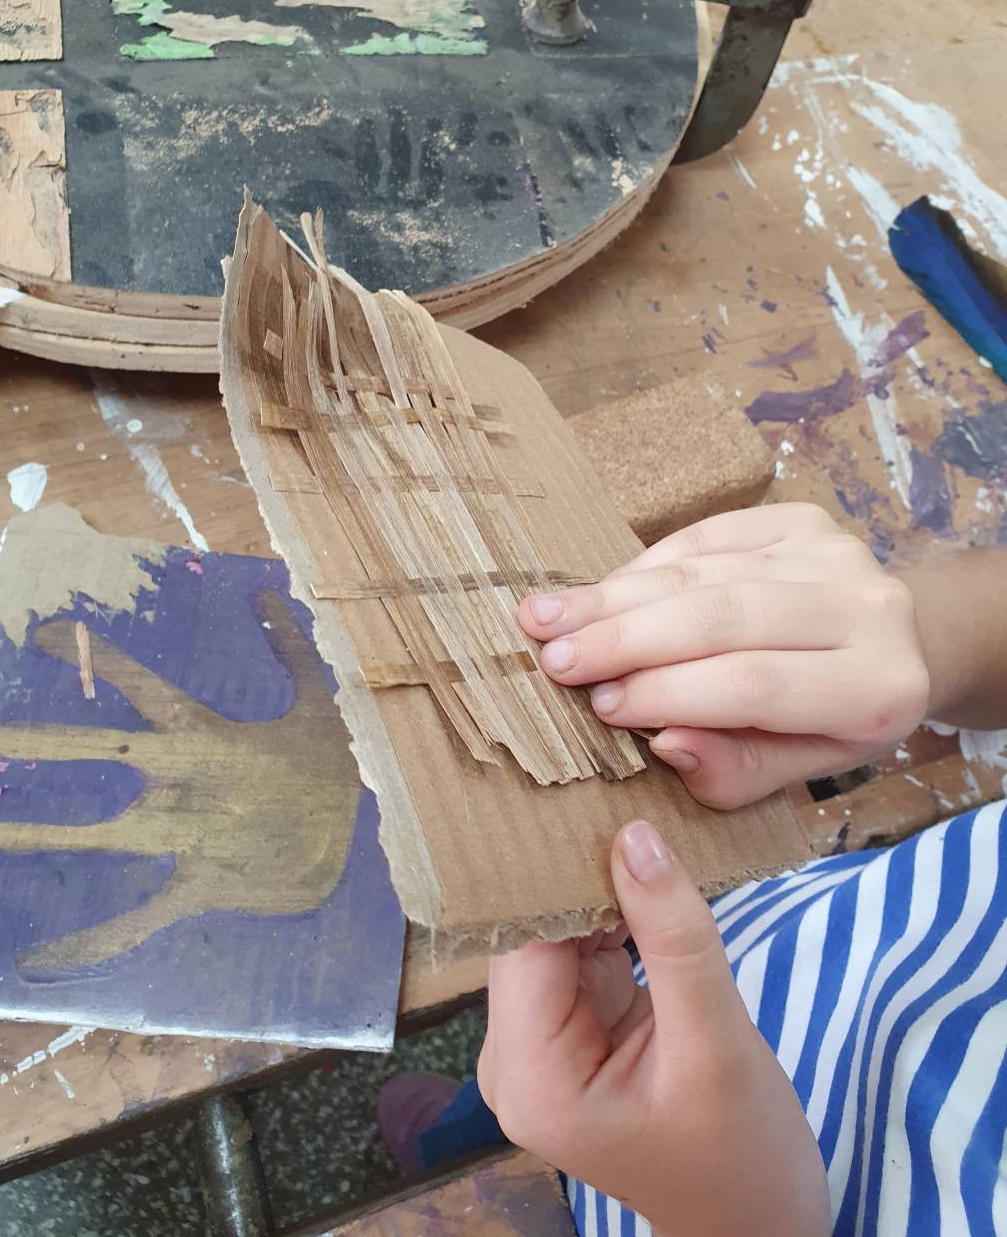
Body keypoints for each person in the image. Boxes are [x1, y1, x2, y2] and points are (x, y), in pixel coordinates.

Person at [379, 503, 1007, 1236]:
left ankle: (464, 1138)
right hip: (768, 928)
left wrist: (748, 1218)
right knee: (519, 1073)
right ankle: (461, 1127)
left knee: (528, 1112)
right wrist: (913, 640)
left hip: (683, 1189)